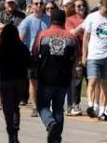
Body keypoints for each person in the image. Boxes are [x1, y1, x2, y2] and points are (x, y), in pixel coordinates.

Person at [33, 8, 79, 143]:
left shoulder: (43, 35)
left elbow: (35, 54)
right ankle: (56, 138)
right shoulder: (72, 38)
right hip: (63, 79)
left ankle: (50, 123)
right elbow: (77, 57)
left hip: (45, 77)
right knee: (58, 109)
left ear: (51, 20)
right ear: (64, 20)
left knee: (42, 106)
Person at [82, 0, 107, 121]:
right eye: (106, 9)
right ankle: (91, 105)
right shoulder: (91, 17)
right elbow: (86, 38)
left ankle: (104, 109)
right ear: (100, 5)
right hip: (93, 55)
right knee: (92, 81)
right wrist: (84, 54)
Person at [0, 24, 31, 143]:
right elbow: (29, 63)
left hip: (5, 80)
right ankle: (15, 131)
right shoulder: (22, 47)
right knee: (15, 106)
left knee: (8, 108)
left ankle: (11, 132)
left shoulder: (1, 48)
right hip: (20, 81)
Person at [18, 0, 50, 117]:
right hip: (32, 55)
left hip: (46, 55)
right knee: (33, 81)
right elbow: (21, 39)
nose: (39, 5)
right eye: (36, 3)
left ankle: (45, 104)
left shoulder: (48, 19)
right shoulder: (27, 21)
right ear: (31, 6)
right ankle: (35, 106)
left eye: (41, 3)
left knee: (46, 81)